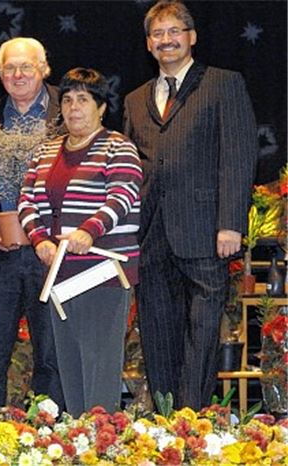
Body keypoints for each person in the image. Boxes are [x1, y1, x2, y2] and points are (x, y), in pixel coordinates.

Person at [123, 0, 258, 410]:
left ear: (192, 37)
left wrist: (230, 223)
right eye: (158, 34)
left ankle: (192, 418)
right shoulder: (134, 99)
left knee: (202, 334)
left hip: (206, 231)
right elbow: (132, 169)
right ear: (148, 44)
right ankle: (165, 422)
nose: (167, 40)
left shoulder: (223, 83)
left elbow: (238, 155)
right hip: (151, 235)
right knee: (158, 333)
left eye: (174, 31)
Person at [19, 68, 142, 416]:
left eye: (84, 100)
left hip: (103, 272)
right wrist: (39, 239)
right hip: (59, 273)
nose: (74, 108)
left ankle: (102, 442)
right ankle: (79, 438)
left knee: (99, 366)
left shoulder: (119, 147)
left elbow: (122, 196)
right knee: (69, 366)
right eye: (68, 100)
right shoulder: (46, 151)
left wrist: (90, 230)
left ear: (101, 107)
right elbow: (26, 199)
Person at [0, 37, 65, 410]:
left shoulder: (68, 109)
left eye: (26, 66)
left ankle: (51, 431)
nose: (17, 74)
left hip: (51, 250)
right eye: (9, 68)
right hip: (2, 252)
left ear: (44, 69)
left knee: (51, 350)